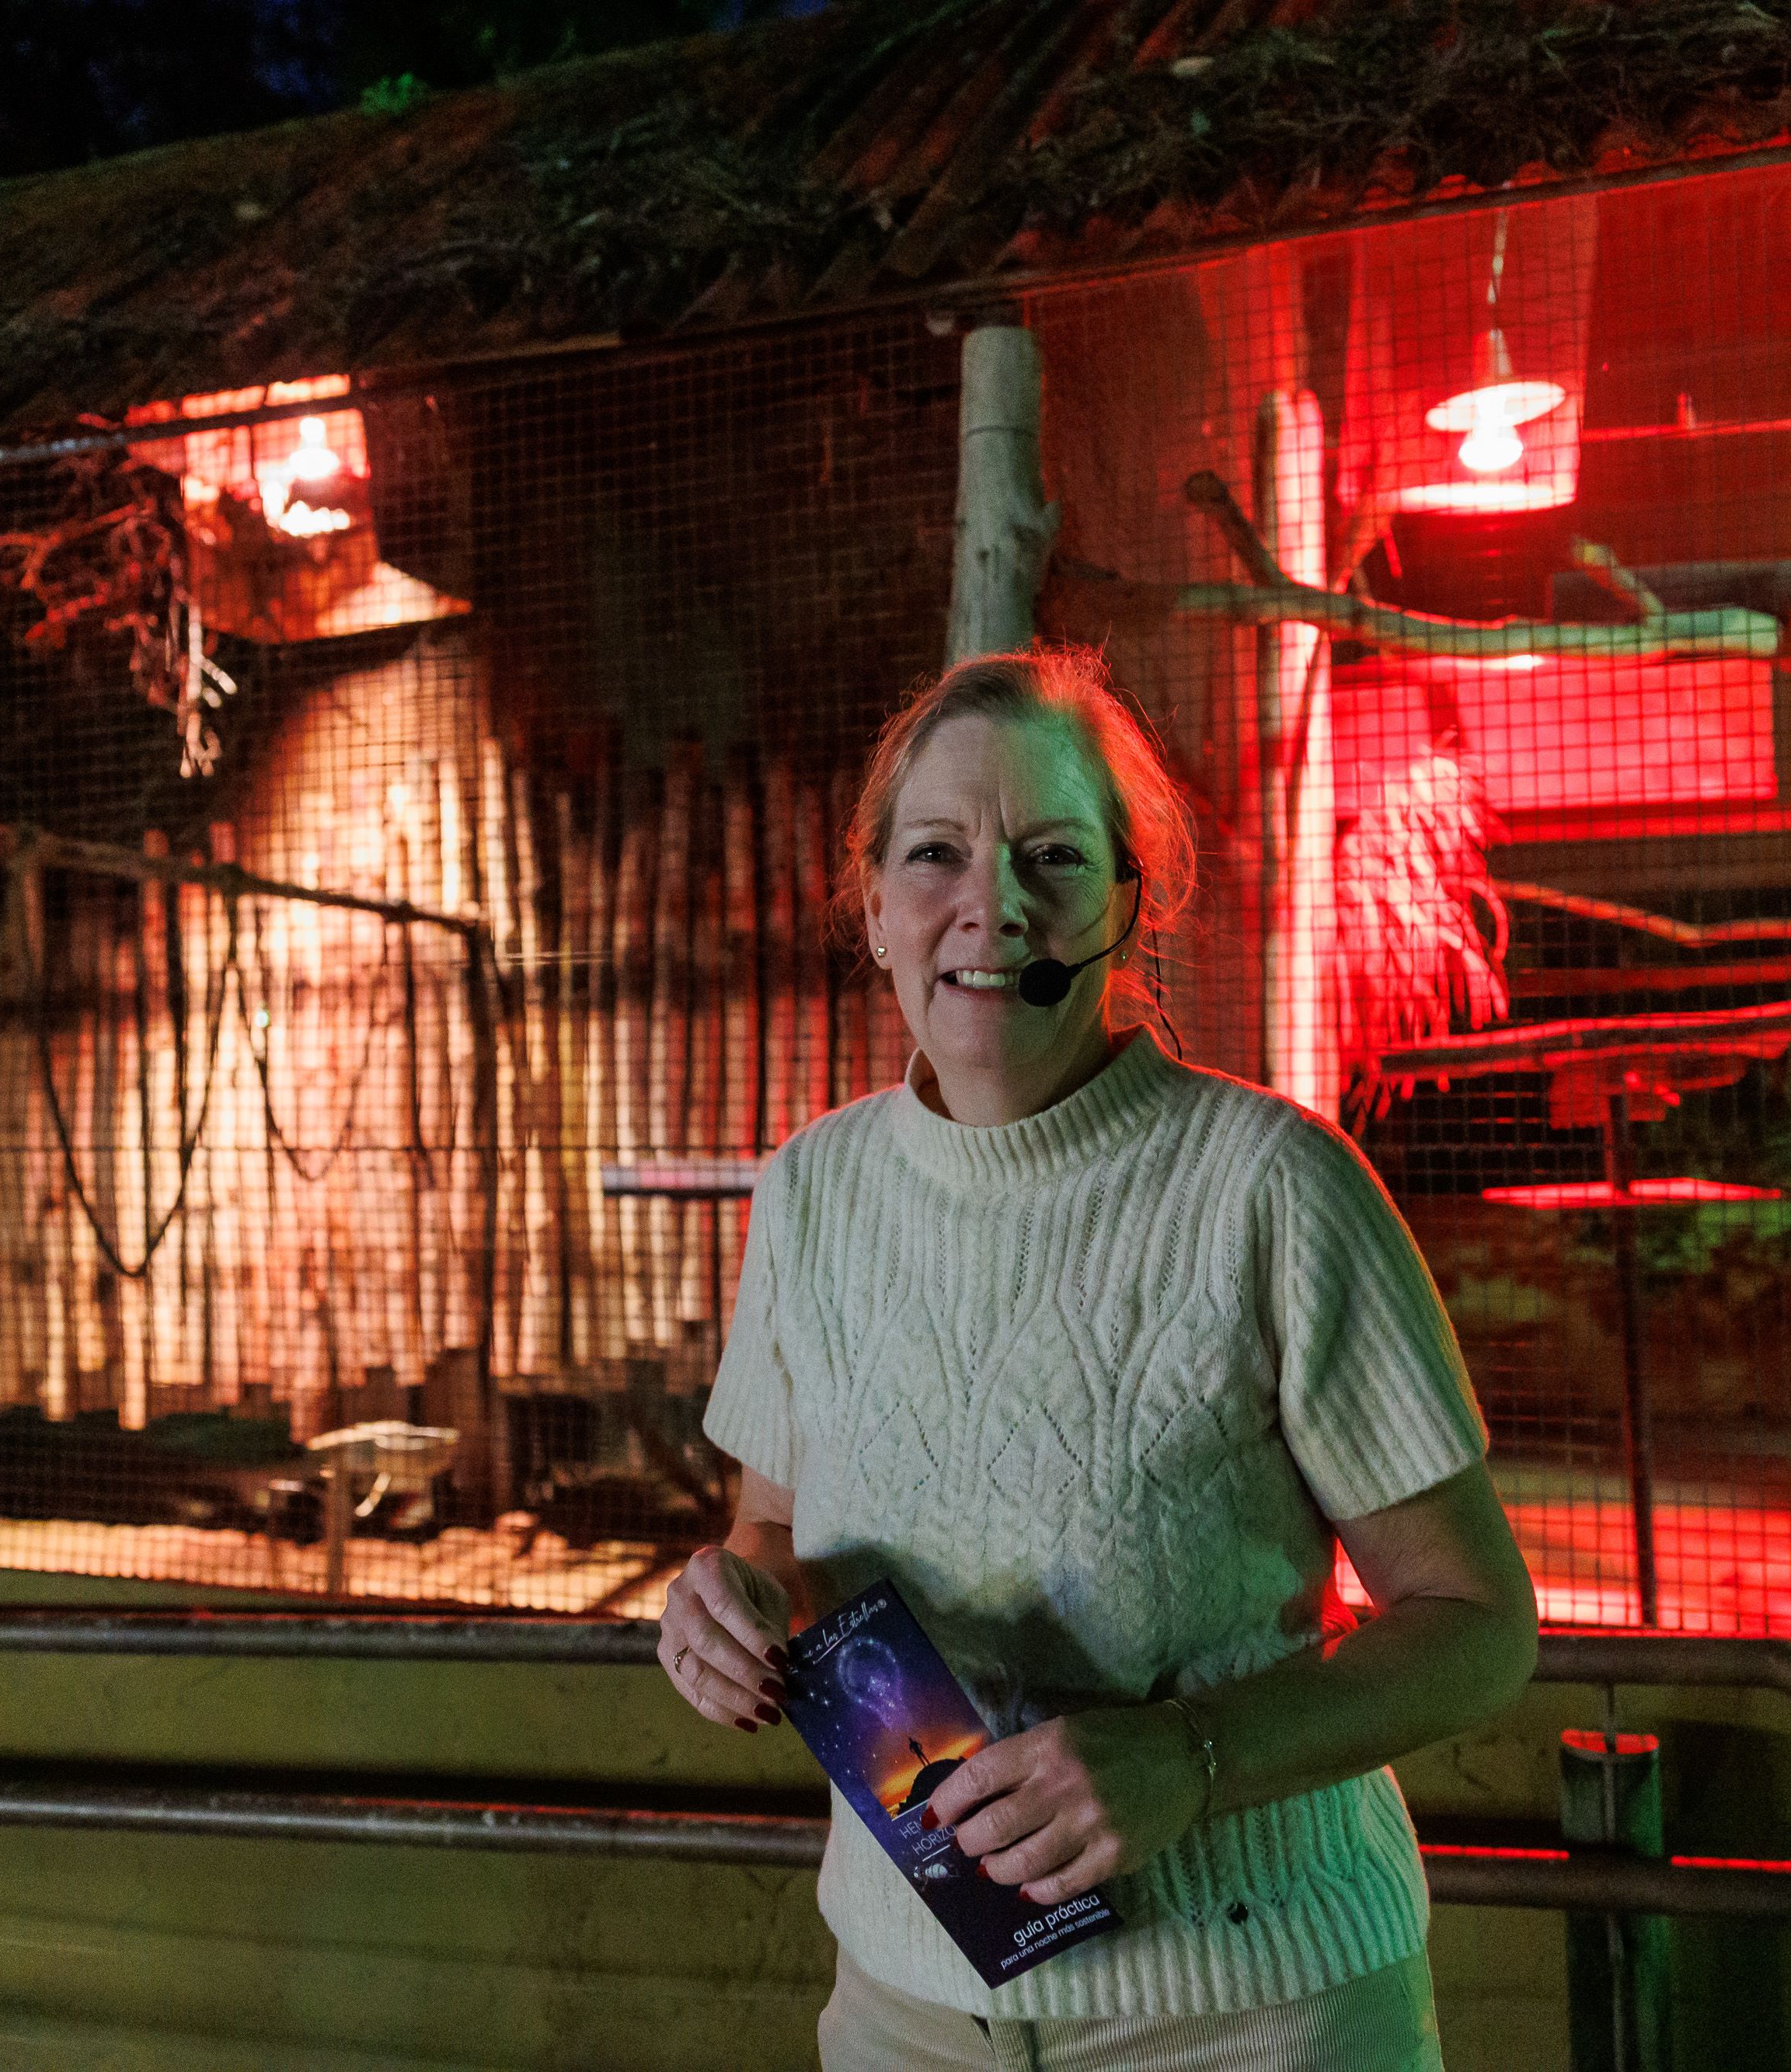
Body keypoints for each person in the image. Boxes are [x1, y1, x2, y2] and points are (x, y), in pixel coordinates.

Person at [657, 644, 1537, 2071]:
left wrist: (1193, 1760)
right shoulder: (810, 1195)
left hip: (1251, 2012)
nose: (990, 907)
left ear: (1129, 904)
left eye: (1053, 856)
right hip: (908, 2006)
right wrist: (734, 1606)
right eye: (935, 852)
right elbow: (777, 1531)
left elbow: (1479, 1625)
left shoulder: (1271, 1188)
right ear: (874, 908)